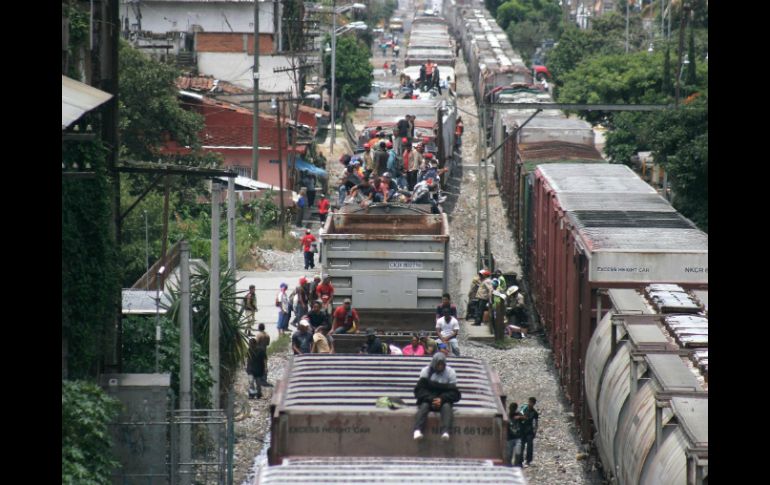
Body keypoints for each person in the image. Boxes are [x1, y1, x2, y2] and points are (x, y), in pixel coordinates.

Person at [412, 353, 461, 441]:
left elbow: (454, 393)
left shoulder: (450, 373)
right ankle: (417, 430)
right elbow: (420, 390)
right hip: (428, 399)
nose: (440, 366)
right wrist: (431, 399)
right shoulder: (426, 372)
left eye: (442, 365)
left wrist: (441, 399)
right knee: (424, 407)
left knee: (446, 407)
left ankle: (445, 431)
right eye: (438, 364)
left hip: (443, 400)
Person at [247, 325, 270, 398]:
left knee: (254, 382)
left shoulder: (252, 350)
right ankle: (254, 394)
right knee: (256, 382)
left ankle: (256, 394)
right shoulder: (267, 335)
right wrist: (266, 367)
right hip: (257, 369)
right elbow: (268, 344)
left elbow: (247, 359)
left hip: (255, 369)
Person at [519, 397, 540, 467]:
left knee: (530, 446)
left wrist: (535, 432)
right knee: (521, 446)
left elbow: (536, 423)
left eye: (531, 403)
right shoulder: (523, 409)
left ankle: (528, 460)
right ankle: (520, 460)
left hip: (529, 431)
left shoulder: (535, 413)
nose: (530, 404)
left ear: (534, 404)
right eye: (529, 402)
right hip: (522, 430)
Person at [505, 402, 525, 467]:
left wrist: (519, 417)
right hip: (509, 438)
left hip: (518, 437)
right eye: (511, 409)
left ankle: (516, 465)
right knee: (509, 454)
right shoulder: (507, 416)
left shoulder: (518, 414)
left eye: (514, 409)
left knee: (518, 452)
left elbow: (525, 418)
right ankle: (509, 465)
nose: (512, 410)